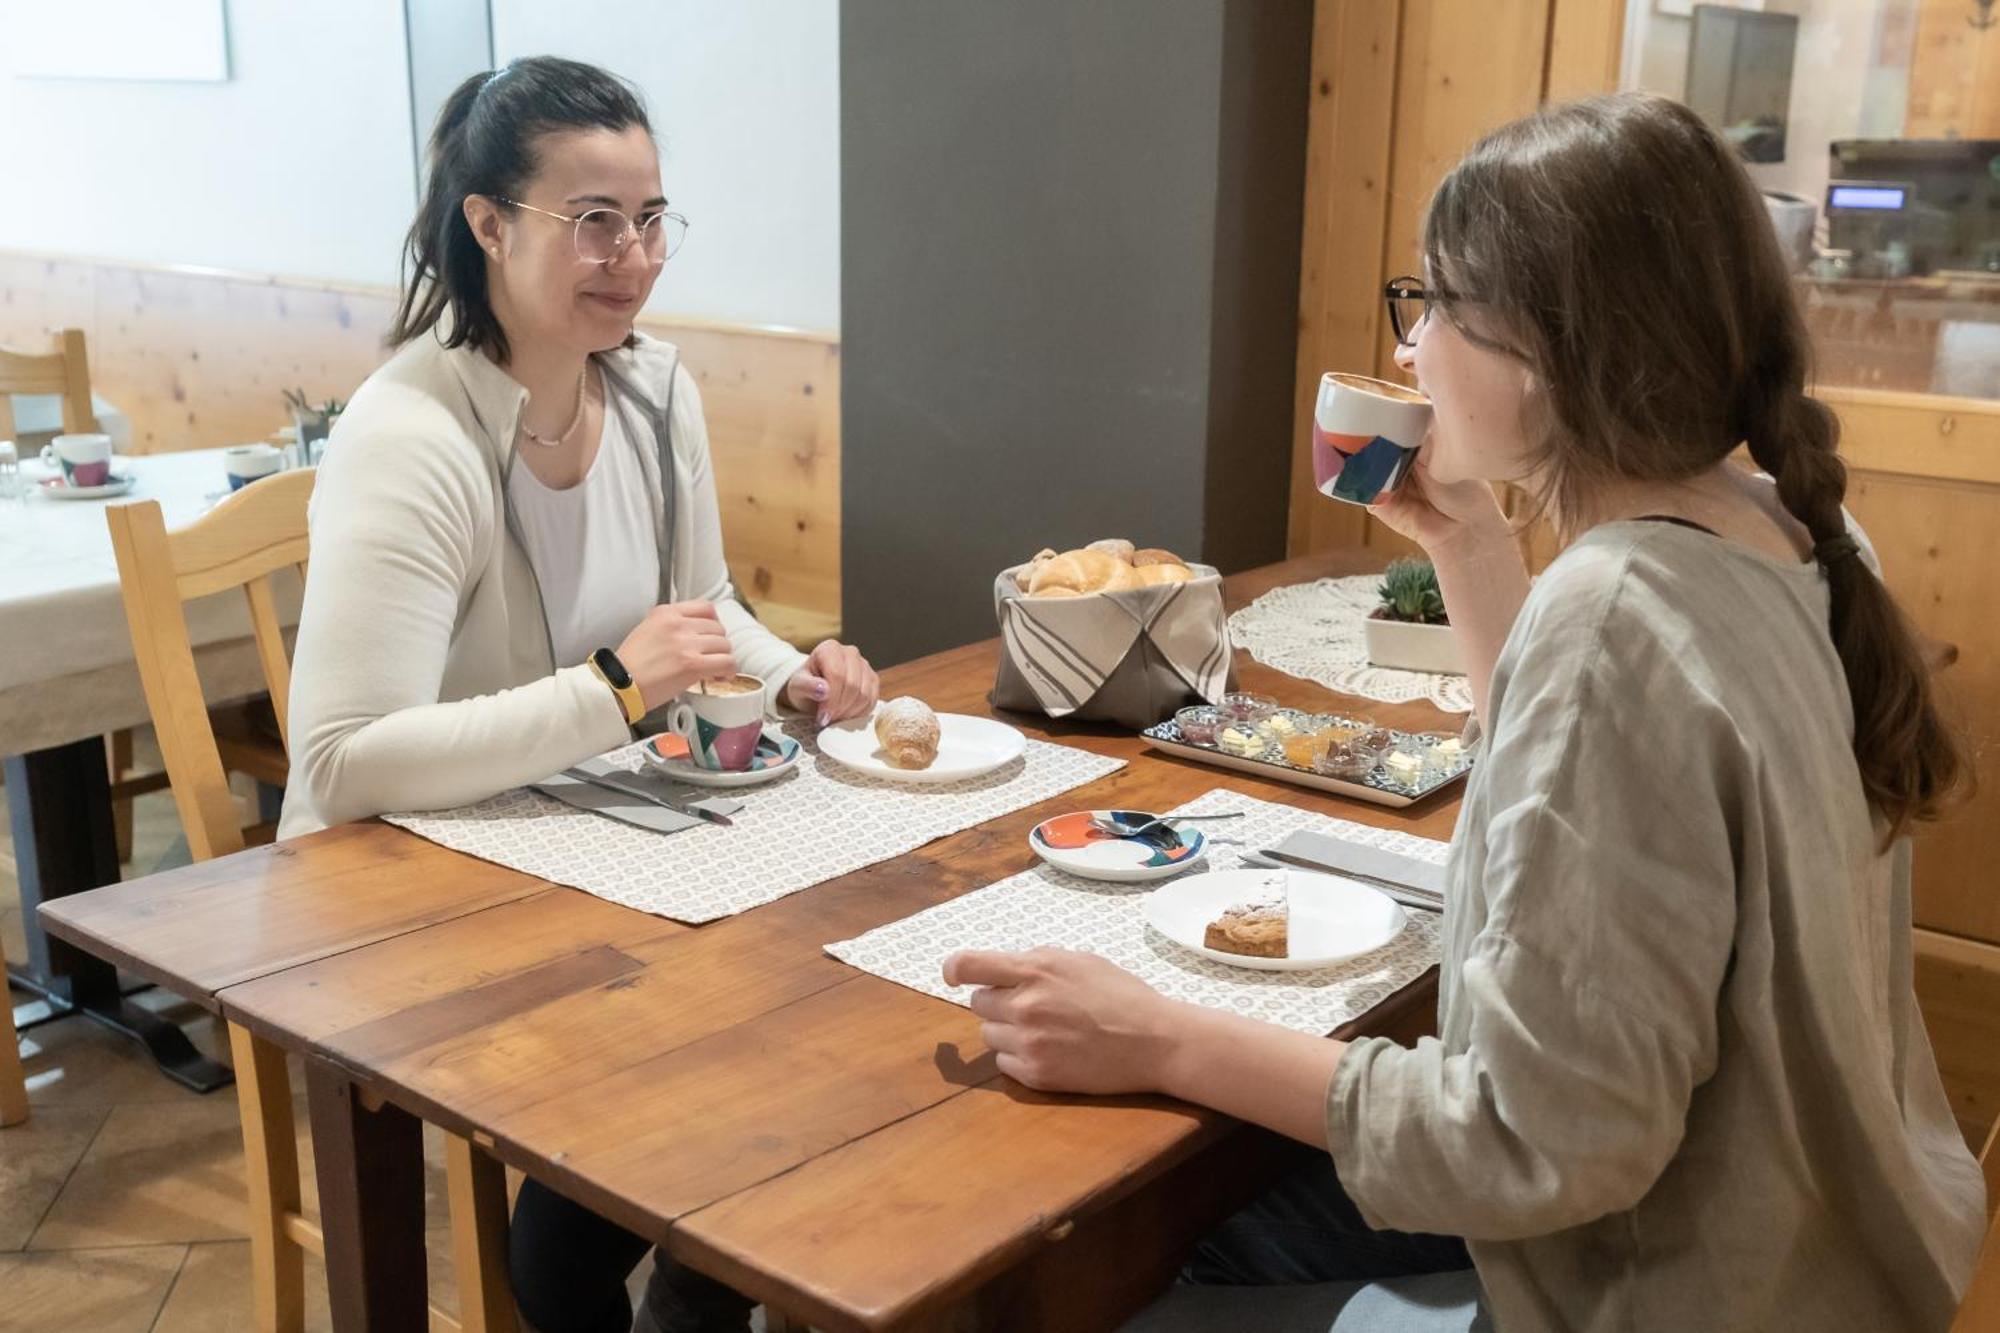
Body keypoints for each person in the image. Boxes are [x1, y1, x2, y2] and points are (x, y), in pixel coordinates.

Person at [943, 93, 1985, 1332]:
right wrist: (1467, 537)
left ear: (1550, 350)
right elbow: (1561, 789)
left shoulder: (1615, 614)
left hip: (1687, 1282)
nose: (1408, 349)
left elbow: (1529, 1143)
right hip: (1829, 1243)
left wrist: (1161, 1038)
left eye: (1432, 302)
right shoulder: (1793, 528)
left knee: (1116, 1261)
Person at [279, 56, 879, 1333]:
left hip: (602, 859)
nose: (632, 254)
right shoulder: (410, 433)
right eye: (592, 220)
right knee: (731, 1083)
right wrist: (611, 690)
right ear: (488, 224)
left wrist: (798, 676)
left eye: (651, 217)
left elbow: (702, 608)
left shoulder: (656, 391)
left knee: (802, 1023)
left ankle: (680, 1284)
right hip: (418, 909)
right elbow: (339, 762)